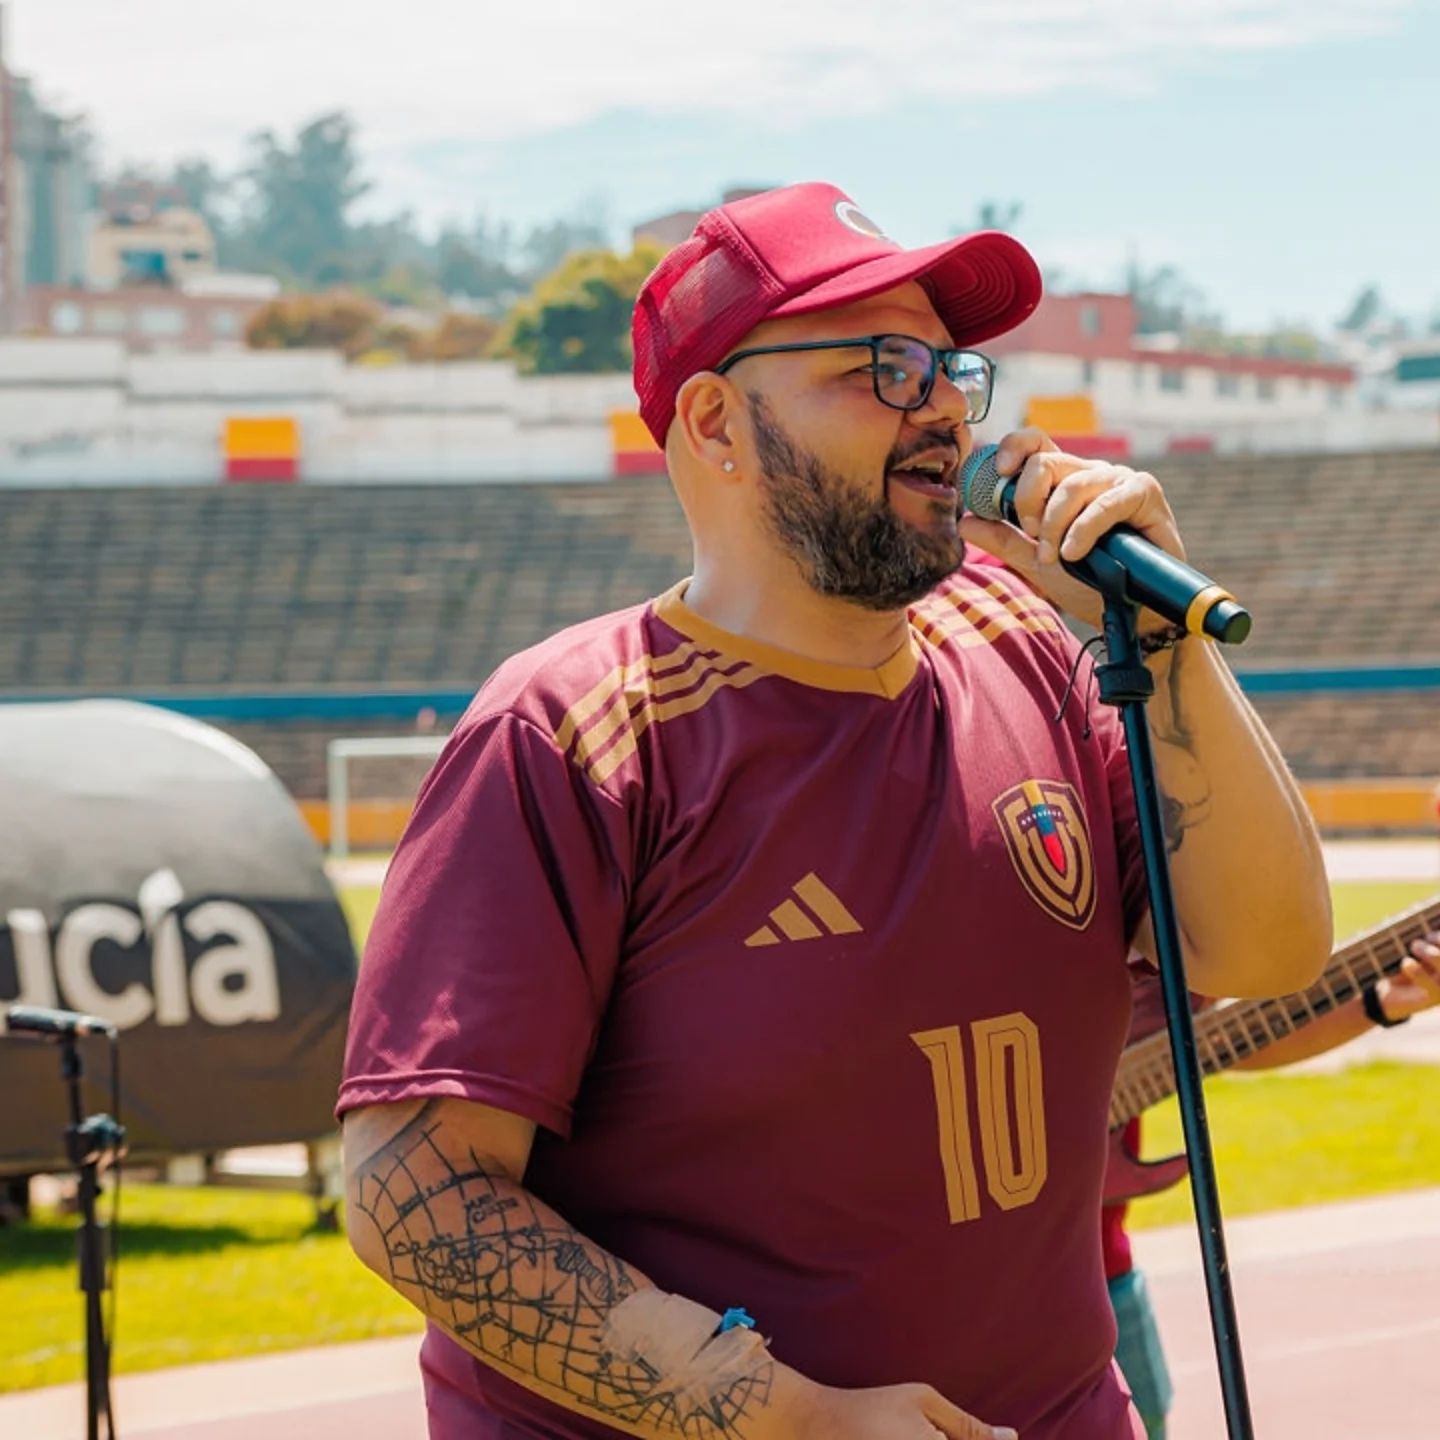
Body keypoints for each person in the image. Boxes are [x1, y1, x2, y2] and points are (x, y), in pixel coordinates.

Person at [337, 182, 1331, 1440]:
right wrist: (788, 1419)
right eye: (883, 364)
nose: (939, 409)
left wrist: (1169, 646)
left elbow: (1268, 952)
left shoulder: (1030, 641)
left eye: (949, 368)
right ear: (716, 423)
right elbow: (415, 1194)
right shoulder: (576, 733)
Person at [1108, 928, 1440, 1439]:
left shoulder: (1135, 874)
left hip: (1104, 1276)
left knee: (1143, 1422)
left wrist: (1377, 1003)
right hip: (966, 1287)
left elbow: (1209, 1042)